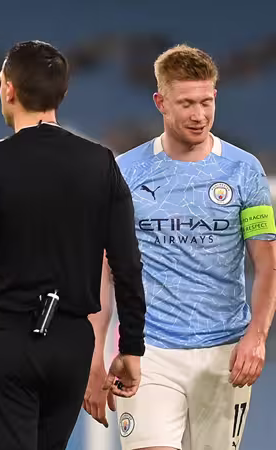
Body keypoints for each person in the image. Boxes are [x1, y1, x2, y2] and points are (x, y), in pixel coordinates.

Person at [0, 40, 147, 450]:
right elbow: (127, 263)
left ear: (8, 89)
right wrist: (131, 346)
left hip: (6, 336)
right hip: (71, 343)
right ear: (62, 93)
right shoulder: (101, 163)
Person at [83, 45, 276, 450]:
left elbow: (267, 262)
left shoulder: (245, 171)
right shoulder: (125, 173)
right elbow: (102, 270)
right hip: (145, 351)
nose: (199, 115)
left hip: (224, 354)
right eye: (186, 103)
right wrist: (94, 355)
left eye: (206, 102)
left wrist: (257, 336)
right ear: (161, 102)